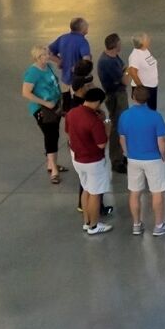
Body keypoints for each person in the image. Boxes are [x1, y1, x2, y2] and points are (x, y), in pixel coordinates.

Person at [117, 85, 165, 237]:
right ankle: (159, 225)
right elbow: (161, 141)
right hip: (153, 159)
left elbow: (122, 138)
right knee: (157, 192)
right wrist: (163, 155)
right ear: (147, 98)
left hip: (134, 159)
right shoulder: (155, 116)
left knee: (134, 192)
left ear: (133, 97)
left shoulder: (125, 116)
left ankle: (136, 224)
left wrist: (126, 153)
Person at [65, 87, 114, 236]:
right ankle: (94, 226)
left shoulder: (72, 113)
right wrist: (107, 126)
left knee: (86, 189)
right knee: (95, 193)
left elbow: (68, 132)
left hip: (77, 158)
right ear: (98, 102)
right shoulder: (94, 121)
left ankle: (86, 222)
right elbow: (101, 144)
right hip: (93, 161)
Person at [22, 45, 65, 184]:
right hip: (43, 109)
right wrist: (45, 103)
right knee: (50, 136)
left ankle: (51, 163)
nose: (47, 57)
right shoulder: (33, 72)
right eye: (43, 55)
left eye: (47, 54)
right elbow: (26, 92)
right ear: (37, 57)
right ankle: (54, 170)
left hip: (54, 106)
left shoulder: (48, 67)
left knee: (54, 134)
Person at [97, 33, 128, 173]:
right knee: (117, 126)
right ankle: (116, 159)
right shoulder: (107, 62)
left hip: (118, 94)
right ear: (115, 46)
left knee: (121, 124)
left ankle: (120, 154)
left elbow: (122, 69)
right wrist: (129, 72)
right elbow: (125, 80)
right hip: (115, 96)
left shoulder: (113, 56)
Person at [49, 17, 92, 88]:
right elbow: (86, 61)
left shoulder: (62, 38)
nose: (87, 26)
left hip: (65, 80)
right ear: (81, 28)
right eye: (86, 25)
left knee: (67, 97)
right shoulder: (83, 42)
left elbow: (48, 52)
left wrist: (59, 61)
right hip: (79, 82)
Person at [125, 32, 160, 109]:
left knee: (152, 109)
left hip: (151, 87)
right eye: (147, 38)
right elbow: (132, 71)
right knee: (147, 110)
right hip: (145, 89)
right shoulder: (135, 55)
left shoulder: (144, 50)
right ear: (142, 42)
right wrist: (141, 88)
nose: (149, 39)